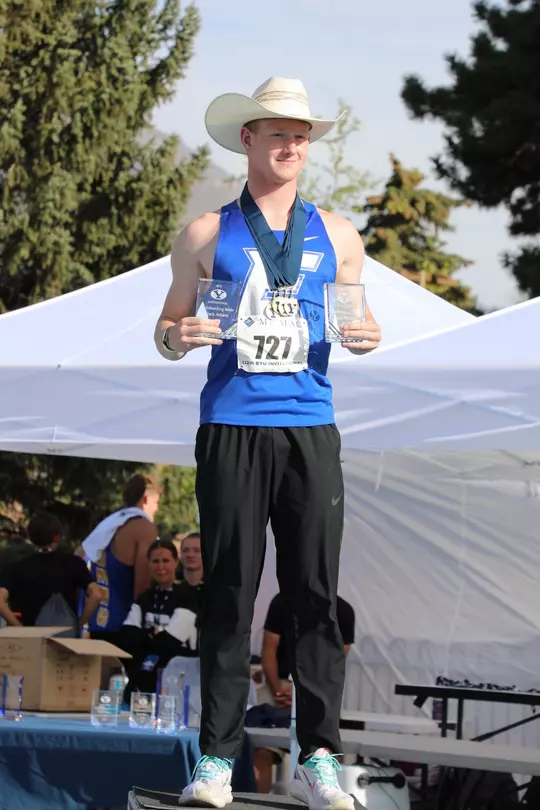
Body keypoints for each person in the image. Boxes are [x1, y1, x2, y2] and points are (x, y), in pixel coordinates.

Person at [154, 76, 382, 810]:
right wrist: (175, 336)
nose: (291, 145)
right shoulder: (205, 234)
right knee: (229, 592)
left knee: (314, 598)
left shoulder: (339, 234)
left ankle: (318, 758)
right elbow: (167, 330)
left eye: (301, 135)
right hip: (231, 425)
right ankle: (217, 761)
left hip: (310, 428)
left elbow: (358, 320)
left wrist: (367, 335)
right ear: (247, 139)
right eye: (277, 132)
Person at [254, 592, 356, 793]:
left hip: (317, 687)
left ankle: (329, 793)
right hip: (281, 686)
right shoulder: (282, 601)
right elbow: (268, 650)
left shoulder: (343, 610)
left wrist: (304, 692)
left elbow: (335, 663)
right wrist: (278, 691)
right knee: (263, 747)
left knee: (329, 748)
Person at [81, 474, 161, 647]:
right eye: (157, 503)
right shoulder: (144, 528)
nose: (157, 510)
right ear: (146, 498)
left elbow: (77, 558)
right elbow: (142, 587)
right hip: (124, 624)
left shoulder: (108, 524)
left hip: (94, 622)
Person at [120, 538, 204, 698]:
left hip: (180, 680)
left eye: (165, 560)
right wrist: (153, 639)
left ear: (175, 562)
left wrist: (146, 638)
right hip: (145, 678)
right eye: (155, 561)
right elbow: (127, 635)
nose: (161, 567)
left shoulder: (189, 596)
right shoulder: (144, 598)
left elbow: (170, 642)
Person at [0, 512, 101, 632]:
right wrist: (79, 624)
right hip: (65, 637)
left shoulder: (17, 567)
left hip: (32, 637)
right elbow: (96, 595)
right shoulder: (74, 563)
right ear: (57, 536)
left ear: (30, 536)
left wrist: (19, 628)